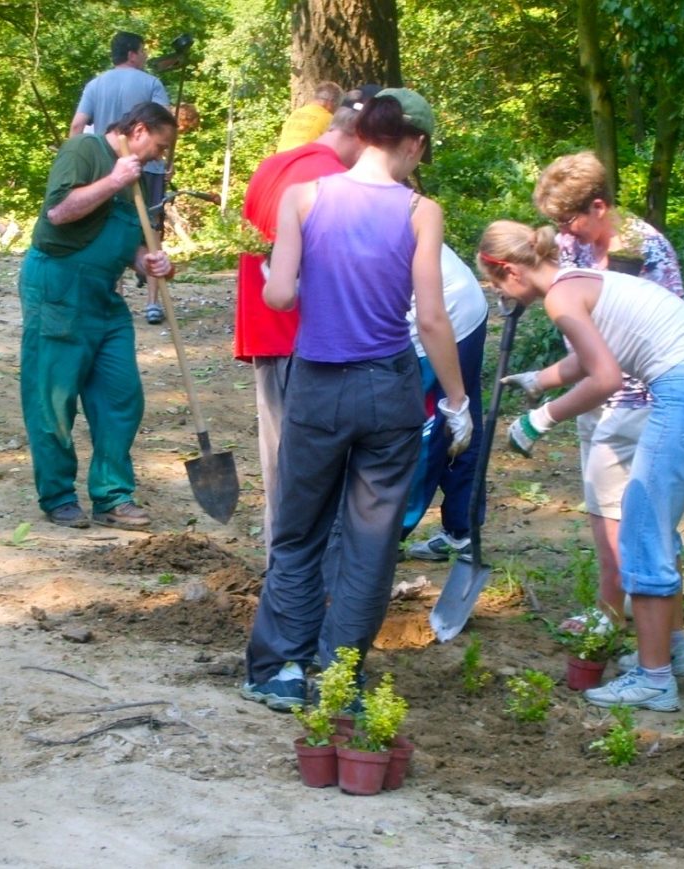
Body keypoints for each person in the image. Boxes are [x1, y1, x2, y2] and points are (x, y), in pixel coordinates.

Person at [242, 88, 473, 711]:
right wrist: (457, 401)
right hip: (388, 388)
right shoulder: (422, 212)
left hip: (317, 384)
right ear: (414, 143)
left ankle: (280, 669)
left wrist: (274, 279)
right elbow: (430, 318)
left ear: (361, 131)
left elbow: (282, 298)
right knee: (370, 540)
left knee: (299, 532)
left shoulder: (305, 196)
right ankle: (341, 675)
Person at [477, 220, 684, 711]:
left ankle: (654, 681)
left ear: (509, 269)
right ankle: (674, 654)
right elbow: (589, 358)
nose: (500, 294)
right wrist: (540, 379)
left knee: (640, 530)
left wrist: (541, 418)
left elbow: (606, 377)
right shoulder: (577, 282)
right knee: (655, 527)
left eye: (495, 283)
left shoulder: (560, 298)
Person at [506, 151, 684, 647]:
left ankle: (620, 619)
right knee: (603, 508)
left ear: (600, 207)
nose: (564, 232)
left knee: (627, 516)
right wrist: (545, 377)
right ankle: (649, 623)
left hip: (638, 399)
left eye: (569, 221)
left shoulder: (645, 251)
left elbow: (654, 332)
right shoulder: (572, 244)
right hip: (594, 393)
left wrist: (544, 411)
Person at [19, 103, 176, 531]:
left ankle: (111, 496)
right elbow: (59, 214)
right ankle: (58, 496)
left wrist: (148, 263)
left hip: (104, 297)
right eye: (158, 147)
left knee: (121, 395)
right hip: (59, 287)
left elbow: (123, 239)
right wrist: (114, 180)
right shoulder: (84, 151)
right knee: (53, 397)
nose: (158, 157)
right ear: (139, 130)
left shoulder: (136, 175)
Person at [235, 90, 370, 554]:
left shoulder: (273, 165)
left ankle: (283, 565)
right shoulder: (329, 179)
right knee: (313, 461)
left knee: (280, 457)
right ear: (361, 138)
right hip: (305, 336)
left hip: (265, 330)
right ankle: (304, 572)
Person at [69, 31, 171, 326]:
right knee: (151, 233)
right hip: (145, 169)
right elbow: (163, 126)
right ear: (132, 54)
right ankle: (152, 304)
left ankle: (114, 298)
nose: (147, 57)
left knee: (108, 229)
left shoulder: (95, 84)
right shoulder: (151, 83)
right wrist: (163, 158)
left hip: (105, 168)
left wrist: (78, 160)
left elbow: (77, 126)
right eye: (144, 51)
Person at [403, 244, 488, 560]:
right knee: (457, 420)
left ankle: (389, 532)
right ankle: (462, 529)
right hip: (460, 306)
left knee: (428, 429)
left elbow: (428, 320)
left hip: (441, 318)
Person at [275, 81, 344, 153]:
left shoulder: (296, 113)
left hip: (281, 160)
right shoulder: (328, 118)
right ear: (331, 103)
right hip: (304, 160)